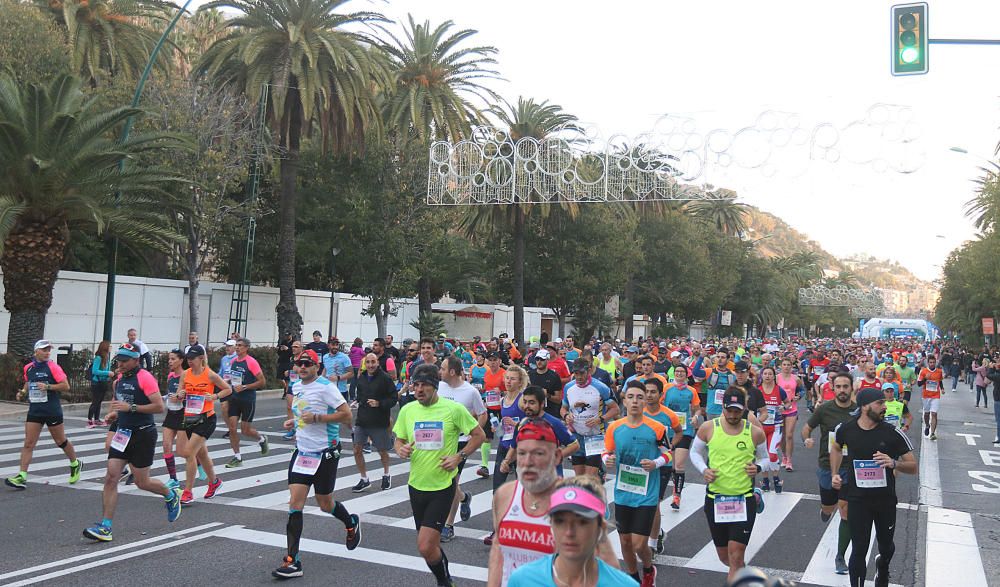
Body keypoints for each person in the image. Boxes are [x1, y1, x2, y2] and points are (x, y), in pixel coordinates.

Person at [393, 364, 486, 587]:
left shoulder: (452, 409)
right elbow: (399, 438)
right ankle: (445, 579)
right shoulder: (408, 410)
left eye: (424, 384)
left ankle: (444, 581)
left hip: (442, 486)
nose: (418, 389)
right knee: (429, 547)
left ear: (435, 386)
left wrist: (459, 456)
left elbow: (479, 435)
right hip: (416, 485)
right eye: (415, 385)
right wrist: (400, 448)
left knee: (425, 545)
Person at [273, 349, 360, 579]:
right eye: (299, 364)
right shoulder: (297, 386)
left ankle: (350, 523)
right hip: (303, 452)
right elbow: (305, 414)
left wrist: (319, 419)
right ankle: (293, 560)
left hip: (326, 453)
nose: (301, 367)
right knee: (295, 503)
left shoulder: (326, 387)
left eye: (307, 364)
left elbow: (346, 415)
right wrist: (295, 421)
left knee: (324, 503)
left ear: (316, 365)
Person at [83, 343, 182, 541]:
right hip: (123, 433)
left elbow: (158, 407)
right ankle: (106, 527)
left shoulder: (145, 378)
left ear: (136, 360)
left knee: (141, 482)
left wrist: (132, 408)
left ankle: (170, 495)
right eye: (119, 360)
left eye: (125, 360)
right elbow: (120, 404)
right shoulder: (119, 380)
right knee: (111, 477)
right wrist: (114, 414)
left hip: (143, 434)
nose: (121, 363)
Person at [830, 388, 917, 587]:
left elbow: (913, 467)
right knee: (859, 548)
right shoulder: (846, 429)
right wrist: (835, 473)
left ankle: (883, 565)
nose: (885, 407)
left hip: (884, 500)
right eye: (879, 403)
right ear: (864, 406)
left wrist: (893, 463)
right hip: (857, 499)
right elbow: (835, 447)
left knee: (886, 547)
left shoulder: (892, 432)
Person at [689, 389, 772, 584]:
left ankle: (755, 495)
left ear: (744, 409)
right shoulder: (709, 428)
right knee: (725, 558)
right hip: (715, 500)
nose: (733, 416)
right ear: (723, 408)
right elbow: (695, 453)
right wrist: (704, 470)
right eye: (730, 411)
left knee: (736, 557)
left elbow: (766, 458)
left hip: (743, 500)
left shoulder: (754, 432)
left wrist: (758, 467)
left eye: (737, 411)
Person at [506, 476, 637, 587]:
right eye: (560, 521)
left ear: (600, 528)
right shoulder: (522, 580)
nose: (569, 532)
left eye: (582, 522)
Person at [604, 379, 671, 586]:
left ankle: (649, 568)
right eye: (631, 397)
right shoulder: (614, 427)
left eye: (639, 397)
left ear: (645, 401)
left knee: (638, 543)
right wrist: (608, 459)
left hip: (647, 493)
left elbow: (668, 454)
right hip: (623, 491)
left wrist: (655, 463)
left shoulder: (657, 428)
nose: (635, 401)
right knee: (624, 541)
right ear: (625, 401)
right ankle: (634, 578)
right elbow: (605, 452)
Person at [801, 371, 857, 575]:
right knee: (829, 506)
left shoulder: (859, 411)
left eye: (845, 386)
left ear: (851, 388)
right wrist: (806, 439)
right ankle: (825, 509)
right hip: (827, 466)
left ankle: (840, 556)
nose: (842, 390)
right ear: (832, 388)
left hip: (851, 466)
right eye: (838, 387)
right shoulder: (824, 409)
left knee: (846, 510)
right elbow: (806, 428)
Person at [5, 340, 82, 490]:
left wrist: (48, 386)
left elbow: (66, 386)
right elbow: (28, 382)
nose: (47, 352)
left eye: (48, 350)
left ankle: (75, 463)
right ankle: (22, 476)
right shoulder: (29, 368)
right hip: (35, 410)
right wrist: (22, 392)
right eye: (44, 350)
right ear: (36, 352)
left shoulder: (53, 367)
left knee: (60, 441)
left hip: (52, 410)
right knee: (29, 443)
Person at [436, 355, 489, 542]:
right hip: (440, 441)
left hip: (460, 442)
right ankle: (465, 498)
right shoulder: (439, 387)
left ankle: (448, 525)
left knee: (451, 483)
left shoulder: (470, 392)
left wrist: (474, 432)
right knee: (448, 483)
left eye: (442, 368)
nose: (439, 371)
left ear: (452, 371)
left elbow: (483, 414)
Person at [176, 344, 231, 504]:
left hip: (206, 418)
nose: (190, 361)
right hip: (190, 417)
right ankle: (214, 482)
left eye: (192, 359)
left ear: (201, 359)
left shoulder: (210, 375)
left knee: (188, 452)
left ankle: (188, 491)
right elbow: (180, 394)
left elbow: (227, 389)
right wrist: (181, 394)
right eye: (188, 359)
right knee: (202, 454)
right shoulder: (185, 374)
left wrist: (214, 397)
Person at [562, 359, 620, 478]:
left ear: (589, 371)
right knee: (579, 477)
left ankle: (598, 475)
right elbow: (563, 408)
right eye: (576, 373)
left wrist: (601, 419)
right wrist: (566, 416)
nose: (578, 377)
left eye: (581, 373)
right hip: (577, 436)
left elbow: (615, 409)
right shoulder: (568, 387)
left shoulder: (600, 387)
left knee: (589, 478)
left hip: (595, 436)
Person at [351, 353, 397, 492]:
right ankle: (364, 479)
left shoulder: (385, 378)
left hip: (379, 420)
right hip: (362, 419)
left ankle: (386, 474)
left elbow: (393, 398)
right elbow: (360, 395)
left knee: (382, 451)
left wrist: (379, 403)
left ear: (378, 363)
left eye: (373, 362)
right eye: (368, 362)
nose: (370, 365)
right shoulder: (362, 377)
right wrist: (357, 401)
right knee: (357, 449)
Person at [161, 349, 204, 487]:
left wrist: (181, 397)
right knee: (166, 445)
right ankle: (173, 479)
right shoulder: (170, 376)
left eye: (173, 359)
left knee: (183, 450)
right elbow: (170, 393)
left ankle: (200, 463)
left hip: (183, 414)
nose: (170, 362)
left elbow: (192, 395)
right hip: (171, 413)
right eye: (169, 359)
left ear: (181, 360)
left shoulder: (187, 375)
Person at [224, 338, 269, 467]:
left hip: (247, 399)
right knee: (232, 428)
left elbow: (262, 382)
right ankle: (237, 457)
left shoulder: (251, 362)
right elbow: (229, 378)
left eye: (240, 346)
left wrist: (245, 387)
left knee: (245, 430)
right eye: (236, 345)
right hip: (234, 398)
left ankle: (261, 439)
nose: (237, 348)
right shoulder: (233, 361)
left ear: (246, 348)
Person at [663, 364, 701, 512]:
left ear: (686, 375)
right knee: (670, 465)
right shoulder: (666, 388)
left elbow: (697, 408)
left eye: (682, 372)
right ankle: (672, 489)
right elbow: (659, 404)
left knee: (679, 464)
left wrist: (696, 417)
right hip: (668, 430)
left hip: (685, 429)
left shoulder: (691, 391)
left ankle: (676, 497)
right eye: (677, 371)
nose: (679, 374)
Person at [776, 358, 804, 471]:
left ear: (791, 366)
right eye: (784, 365)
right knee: (782, 436)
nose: (786, 367)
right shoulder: (777, 378)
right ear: (781, 366)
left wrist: (799, 396)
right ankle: (783, 456)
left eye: (788, 365)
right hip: (780, 409)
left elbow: (802, 390)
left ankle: (789, 460)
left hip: (792, 409)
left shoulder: (796, 378)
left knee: (789, 435)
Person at [529, 349, 563, 420]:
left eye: (542, 359)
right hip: (534, 413)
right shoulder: (530, 374)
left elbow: (559, 399)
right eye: (537, 359)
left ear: (547, 360)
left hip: (550, 413)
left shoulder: (554, 376)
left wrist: (547, 395)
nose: (539, 361)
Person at [917, 354, 944, 440]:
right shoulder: (924, 371)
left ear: (935, 363)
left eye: (933, 362)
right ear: (928, 363)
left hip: (936, 395)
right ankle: (927, 425)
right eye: (930, 362)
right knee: (927, 414)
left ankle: (932, 433)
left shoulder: (939, 371)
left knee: (934, 413)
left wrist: (942, 389)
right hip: (926, 395)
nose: (932, 364)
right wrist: (925, 378)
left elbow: (940, 381)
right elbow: (919, 384)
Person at [88, 340, 113, 428]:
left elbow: (106, 370)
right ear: (105, 347)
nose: (111, 348)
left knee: (99, 402)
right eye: (109, 346)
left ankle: (97, 419)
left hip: (103, 382)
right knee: (95, 401)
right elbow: (95, 371)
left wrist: (110, 373)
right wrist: (107, 373)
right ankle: (90, 420)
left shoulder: (107, 358)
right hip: (97, 382)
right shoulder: (98, 358)